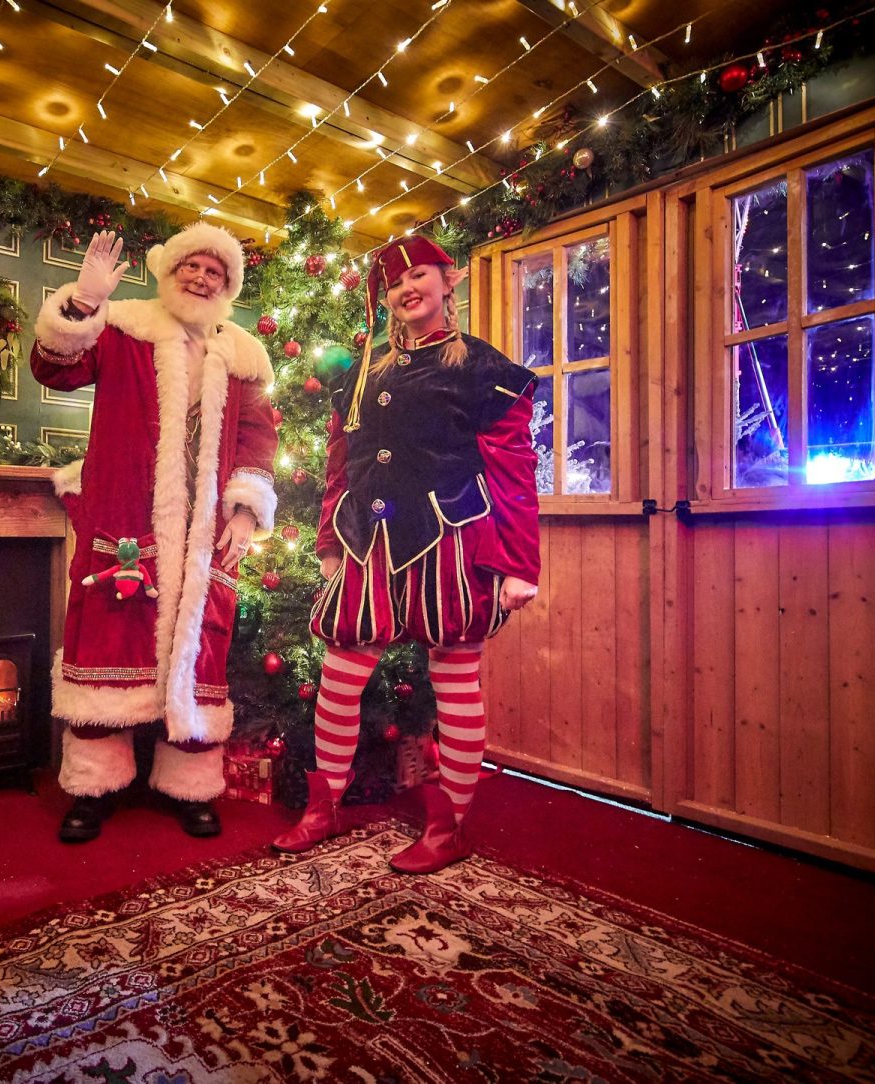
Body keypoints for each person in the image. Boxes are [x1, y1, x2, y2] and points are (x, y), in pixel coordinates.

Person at [272, 234, 540, 873]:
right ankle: (325, 808)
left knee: (455, 674)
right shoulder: (364, 370)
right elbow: (341, 463)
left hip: (450, 536)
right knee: (341, 671)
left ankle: (449, 829)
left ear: (448, 281)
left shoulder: (481, 367)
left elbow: (513, 466)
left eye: (418, 275)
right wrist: (328, 541)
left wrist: (519, 563)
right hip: (367, 537)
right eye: (395, 284)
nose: (406, 289)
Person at [31, 223, 278, 843]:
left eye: (214, 272)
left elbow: (257, 438)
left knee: (200, 646)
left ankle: (189, 786)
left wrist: (245, 511)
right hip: (124, 520)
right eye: (192, 266)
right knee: (107, 643)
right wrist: (83, 304)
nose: (201, 278)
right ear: (169, 272)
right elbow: (53, 371)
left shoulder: (243, 354)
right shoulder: (123, 328)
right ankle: (93, 787)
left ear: (227, 287)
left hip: (206, 531)